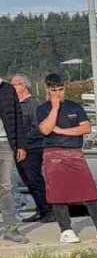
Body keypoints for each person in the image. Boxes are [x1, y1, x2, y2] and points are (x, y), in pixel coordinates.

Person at [37, 74, 97, 244]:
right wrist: (54, 108)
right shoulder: (42, 109)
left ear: (65, 88)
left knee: (89, 191)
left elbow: (85, 128)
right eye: (54, 90)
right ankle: (66, 229)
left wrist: (62, 131)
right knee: (58, 193)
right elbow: (46, 129)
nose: (58, 93)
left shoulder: (75, 107)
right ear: (48, 90)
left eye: (60, 89)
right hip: (53, 153)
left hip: (75, 152)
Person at [13, 74, 53, 224]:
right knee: (27, 181)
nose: (13, 87)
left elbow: (38, 128)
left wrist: (22, 141)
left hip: (33, 148)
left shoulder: (33, 104)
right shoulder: (15, 105)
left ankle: (48, 210)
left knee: (34, 179)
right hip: (18, 148)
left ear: (24, 86)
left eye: (15, 84)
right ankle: (40, 209)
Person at [0, 75, 28, 242]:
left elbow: (18, 117)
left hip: (5, 144)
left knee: (7, 187)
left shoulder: (7, 89)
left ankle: (11, 229)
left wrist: (21, 145)